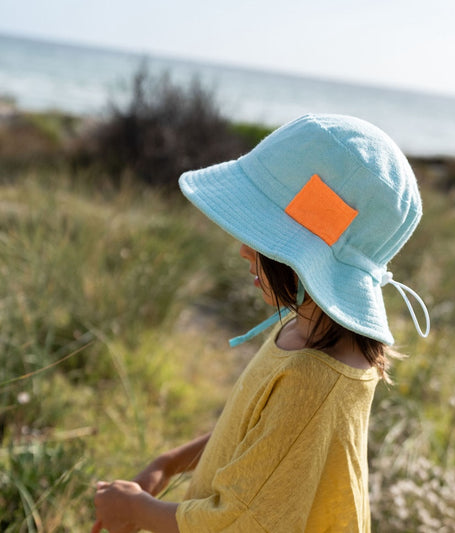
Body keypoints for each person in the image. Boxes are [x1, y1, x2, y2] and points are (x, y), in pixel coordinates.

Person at [92, 113, 430, 532]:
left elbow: (238, 523)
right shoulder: (302, 329)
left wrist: (138, 511)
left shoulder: (314, 377)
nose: (243, 251)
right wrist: (169, 463)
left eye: (263, 237)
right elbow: (257, 443)